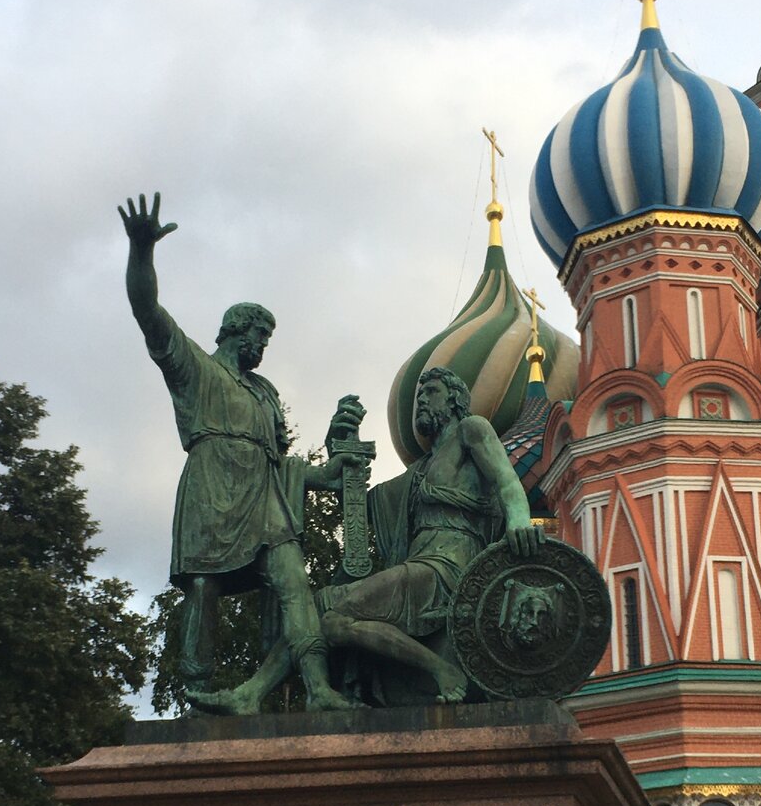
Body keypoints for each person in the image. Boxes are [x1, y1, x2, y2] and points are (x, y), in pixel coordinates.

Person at [119, 192, 362, 709]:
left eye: (267, 339)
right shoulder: (196, 369)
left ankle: (319, 689)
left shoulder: (266, 391)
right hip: (212, 485)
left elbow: (283, 466)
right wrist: (142, 252)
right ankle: (198, 691)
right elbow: (148, 312)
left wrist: (329, 470)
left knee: (296, 583)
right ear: (236, 330)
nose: (263, 346)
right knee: (204, 588)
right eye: (260, 335)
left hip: (263, 497)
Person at [189, 366, 544, 712]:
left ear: (454, 400)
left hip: (450, 568)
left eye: (430, 392)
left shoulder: (472, 429)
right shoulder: (421, 469)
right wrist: (341, 450)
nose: (420, 400)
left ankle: (443, 670)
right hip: (419, 567)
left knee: (332, 617)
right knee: (315, 609)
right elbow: (361, 506)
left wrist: (519, 520)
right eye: (418, 394)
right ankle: (251, 694)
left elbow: (507, 481)